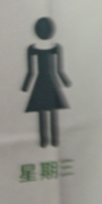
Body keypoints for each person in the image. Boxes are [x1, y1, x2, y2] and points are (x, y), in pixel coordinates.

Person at [23, 17, 71, 148]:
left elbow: (59, 70)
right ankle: (45, 140)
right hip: (45, 82)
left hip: (47, 82)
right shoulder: (32, 49)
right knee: (44, 112)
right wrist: (25, 86)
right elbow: (31, 71)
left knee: (49, 112)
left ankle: (53, 139)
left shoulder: (55, 48)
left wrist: (65, 81)